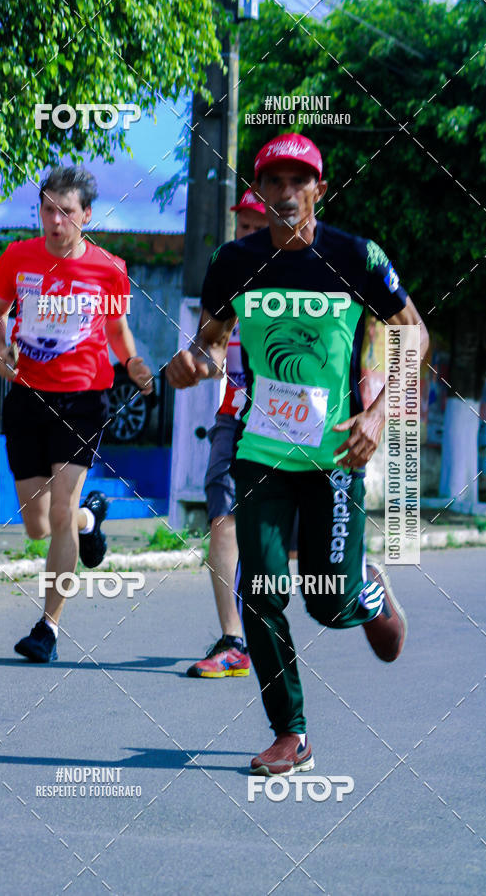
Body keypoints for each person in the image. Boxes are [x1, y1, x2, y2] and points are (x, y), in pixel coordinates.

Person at [167, 133, 429, 774]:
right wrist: (193, 363)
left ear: (320, 188)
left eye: (298, 182)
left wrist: (375, 414)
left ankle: (363, 593)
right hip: (259, 453)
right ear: (258, 192)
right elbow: (212, 339)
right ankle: (293, 732)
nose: (285, 194)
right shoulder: (234, 260)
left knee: (326, 602)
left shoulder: (356, 256)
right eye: (272, 183)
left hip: (335, 457)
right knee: (259, 592)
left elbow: (413, 332)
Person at [0, 165, 152, 662]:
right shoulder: (18, 258)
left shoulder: (109, 268)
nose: (54, 221)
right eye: (46, 210)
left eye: (65, 211)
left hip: (82, 399)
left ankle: (48, 629)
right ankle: (90, 518)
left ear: (86, 215)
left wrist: (133, 361)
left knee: (58, 510)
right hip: (28, 399)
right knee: (37, 525)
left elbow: (117, 329)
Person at [188, 189, 268, 679]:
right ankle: (233, 638)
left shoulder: (309, 275)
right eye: (243, 227)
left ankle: (354, 581)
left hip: (299, 424)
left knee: (299, 540)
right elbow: (212, 345)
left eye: (258, 228)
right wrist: (199, 362)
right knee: (222, 515)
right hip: (235, 411)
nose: (249, 236)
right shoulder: (226, 270)